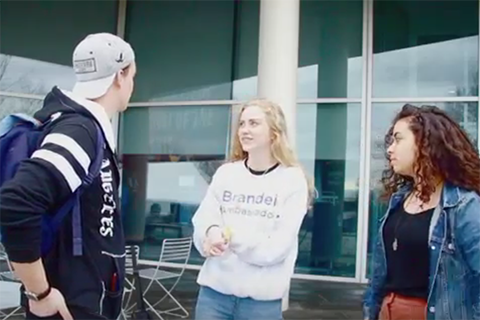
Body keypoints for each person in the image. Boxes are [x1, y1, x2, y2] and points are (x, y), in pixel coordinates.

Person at [0, 33, 136, 320]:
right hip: (70, 307)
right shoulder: (80, 130)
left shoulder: (80, 126)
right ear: (120, 76)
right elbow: (16, 203)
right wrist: (40, 293)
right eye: (133, 75)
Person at [191, 99, 315, 320]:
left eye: (254, 123)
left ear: (274, 133)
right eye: (242, 124)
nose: (245, 130)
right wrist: (210, 234)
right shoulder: (227, 173)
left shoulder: (293, 180)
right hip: (213, 298)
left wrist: (230, 237)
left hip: (261, 305)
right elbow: (205, 216)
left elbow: (276, 248)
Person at [363, 104, 480, 320]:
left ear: (426, 144)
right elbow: (379, 275)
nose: (390, 149)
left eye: (398, 139)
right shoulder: (398, 201)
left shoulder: (464, 206)